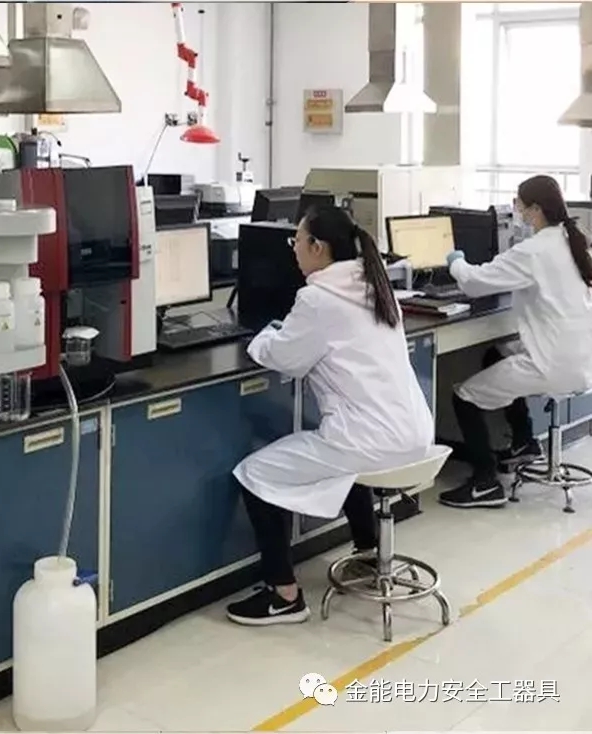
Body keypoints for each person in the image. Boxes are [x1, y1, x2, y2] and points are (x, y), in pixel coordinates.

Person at [227, 206, 434, 626]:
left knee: (254, 473)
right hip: (415, 435)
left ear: (317, 247)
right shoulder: (374, 284)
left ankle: (284, 596)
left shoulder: (318, 298)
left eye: (297, 241)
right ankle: (369, 550)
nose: (294, 250)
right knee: (340, 454)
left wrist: (262, 337)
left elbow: (286, 358)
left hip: (370, 441)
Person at [438, 175, 592, 509]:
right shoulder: (571, 238)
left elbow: (476, 282)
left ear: (535, 209)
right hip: (578, 356)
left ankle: (485, 483)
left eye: (519, 205)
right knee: (496, 354)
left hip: (551, 363)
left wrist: (456, 263)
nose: (517, 211)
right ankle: (524, 442)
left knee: (463, 396)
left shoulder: (533, 251)